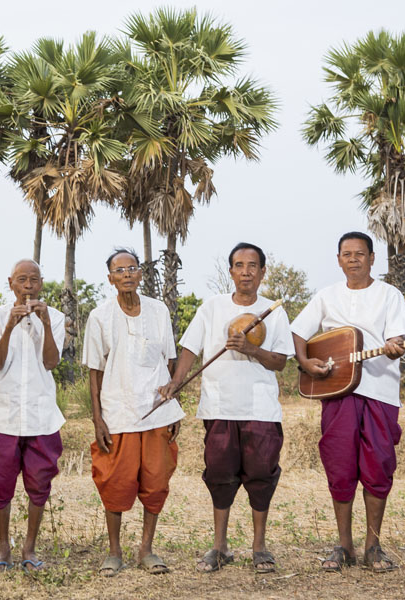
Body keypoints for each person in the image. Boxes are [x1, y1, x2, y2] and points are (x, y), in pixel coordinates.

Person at [160, 242, 292, 574]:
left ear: (263, 272)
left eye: (252, 265)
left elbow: (280, 361)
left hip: (260, 409)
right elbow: (189, 349)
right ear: (230, 271)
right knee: (220, 475)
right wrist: (176, 382)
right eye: (239, 265)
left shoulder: (273, 311)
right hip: (219, 407)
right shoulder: (212, 307)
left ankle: (259, 547)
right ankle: (219, 547)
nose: (245, 271)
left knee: (261, 475)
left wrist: (251, 349)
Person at [291, 231, 405, 573]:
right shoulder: (326, 296)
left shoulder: (390, 295)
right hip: (338, 392)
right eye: (347, 254)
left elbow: (398, 335)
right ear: (339, 259)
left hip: (380, 392)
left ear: (373, 258)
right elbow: (299, 332)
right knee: (340, 467)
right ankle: (344, 544)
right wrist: (305, 362)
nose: (354, 259)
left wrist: (393, 343)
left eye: (360, 253)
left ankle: (373, 546)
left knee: (378, 467)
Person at [83, 249, 183, 577]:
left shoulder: (158, 311)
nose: (126, 274)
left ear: (141, 274)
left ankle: (147, 550)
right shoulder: (99, 316)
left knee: (155, 484)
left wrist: (173, 408)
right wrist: (98, 419)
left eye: (132, 268)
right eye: (119, 270)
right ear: (110, 278)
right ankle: (114, 552)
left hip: (156, 413)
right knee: (115, 482)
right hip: (117, 413)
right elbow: (94, 372)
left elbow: (168, 361)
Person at [0, 259, 64, 572]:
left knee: (39, 482)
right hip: (4, 415)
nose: (28, 286)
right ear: (11, 283)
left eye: (33, 280)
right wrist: (9, 327)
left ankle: (29, 548)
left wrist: (43, 324)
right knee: (1, 484)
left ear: (41, 284)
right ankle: (4, 549)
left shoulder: (54, 317)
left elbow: (52, 362)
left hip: (42, 414)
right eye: (22, 280)